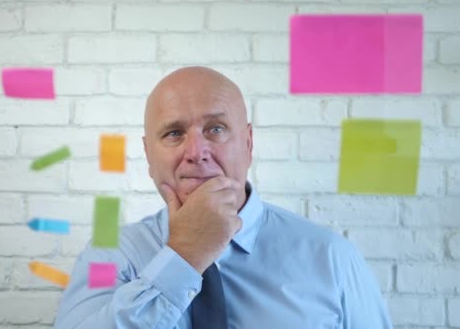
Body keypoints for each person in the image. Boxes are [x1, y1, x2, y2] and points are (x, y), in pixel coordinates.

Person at [54, 66, 393, 328]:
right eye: (174, 133)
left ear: (248, 143)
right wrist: (185, 255)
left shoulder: (332, 258)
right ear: (148, 156)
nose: (196, 152)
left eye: (215, 129)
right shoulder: (109, 256)